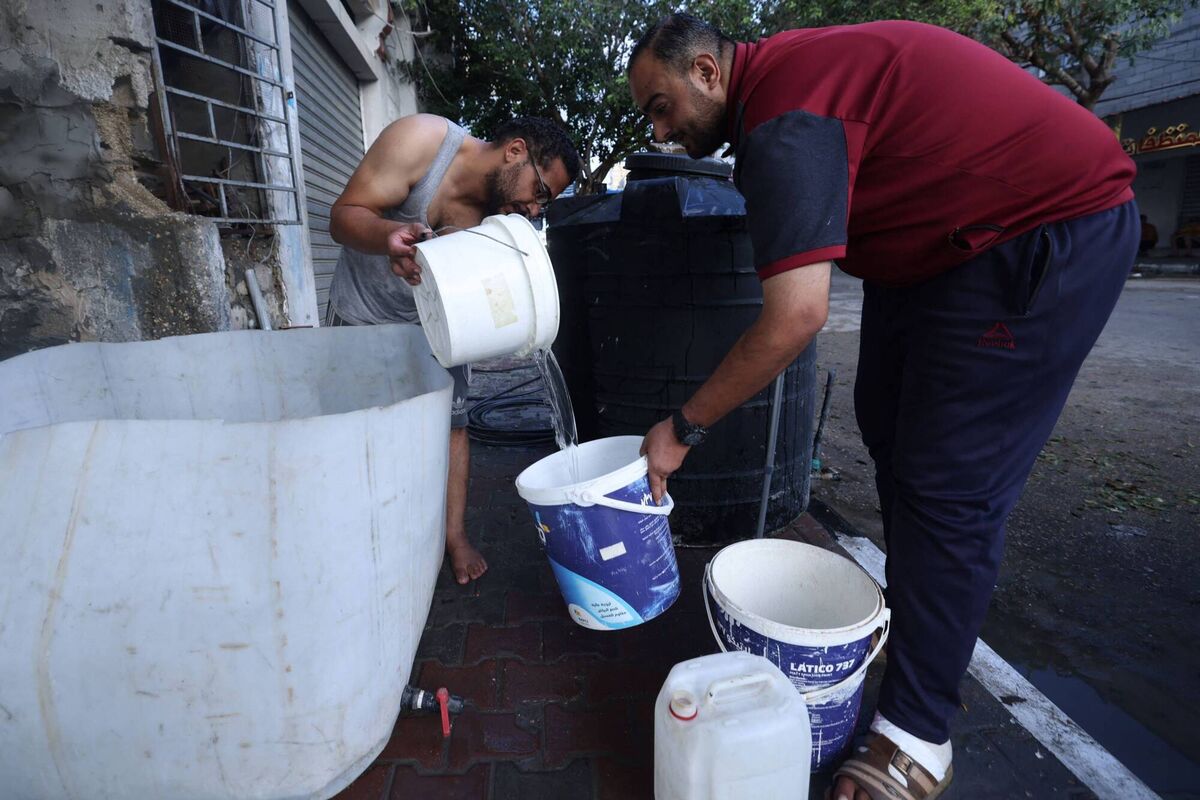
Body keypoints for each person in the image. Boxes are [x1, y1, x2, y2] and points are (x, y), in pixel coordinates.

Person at [627, 14, 1136, 800]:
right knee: (886, 420)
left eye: (661, 106)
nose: (661, 130)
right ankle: (927, 616)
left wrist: (683, 428)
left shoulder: (782, 119)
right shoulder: (784, 90)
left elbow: (795, 316)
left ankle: (918, 738)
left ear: (705, 71)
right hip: (939, 252)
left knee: (945, 482)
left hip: (1042, 227)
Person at [328, 114, 580, 584]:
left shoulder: (498, 220)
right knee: (357, 431)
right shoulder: (423, 141)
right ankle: (361, 532)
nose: (533, 210)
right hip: (364, 314)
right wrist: (388, 237)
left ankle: (454, 536)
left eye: (545, 206)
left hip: (441, 326)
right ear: (515, 151)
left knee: (454, 424)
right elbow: (342, 217)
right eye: (540, 192)